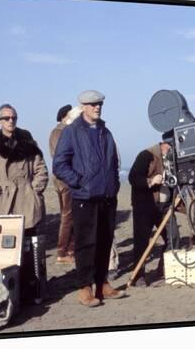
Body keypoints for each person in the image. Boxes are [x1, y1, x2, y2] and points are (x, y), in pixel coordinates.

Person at [53, 90, 125, 307]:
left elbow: (113, 162)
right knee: (86, 245)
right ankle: (85, 288)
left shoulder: (105, 131)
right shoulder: (72, 132)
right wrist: (79, 182)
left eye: (100, 104)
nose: (97, 107)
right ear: (83, 106)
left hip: (107, 196)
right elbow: (59, 165)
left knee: (105, 242)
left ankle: (102, 284)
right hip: (84, 197)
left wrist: (114, 184)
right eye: (93, 104)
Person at [0, 103, 49, 234]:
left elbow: (41, 169)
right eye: (6, 118)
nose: (11, 120)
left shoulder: (28, 141)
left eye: (14, 118)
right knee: (7, 244)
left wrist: (35, 191)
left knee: (30, 243)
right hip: (4, 202)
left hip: (28, 199)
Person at [128, 141, 180, 287]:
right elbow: (133, 177)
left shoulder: (171, 158)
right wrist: (151, 181)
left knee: (173, 237)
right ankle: (138, 276)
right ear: (164, 145)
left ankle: (164, 268)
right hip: (145, 205)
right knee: (142, 242)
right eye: (171, 147)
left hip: (165, 205)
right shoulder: (146, 155)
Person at [49, 104, 76, 264]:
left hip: (62, 178)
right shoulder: (60, 132)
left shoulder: (58, 132)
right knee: (67, 215)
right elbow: (61, 155)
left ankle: (69, 250)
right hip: (65, 179)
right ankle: (63, 251)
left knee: (68, 214)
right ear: (66, 116)